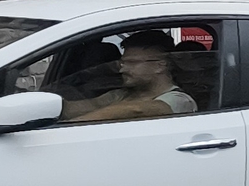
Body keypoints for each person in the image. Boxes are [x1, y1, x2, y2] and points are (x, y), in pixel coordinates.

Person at [58, 31, 197, 122]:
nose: (122, 69)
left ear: (159, 66)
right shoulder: (120, 94)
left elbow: (136, 110)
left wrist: (72, 125)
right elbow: (88, 106)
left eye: (131, 62)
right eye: (122, 63)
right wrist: (52, 106)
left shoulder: (179, 100)